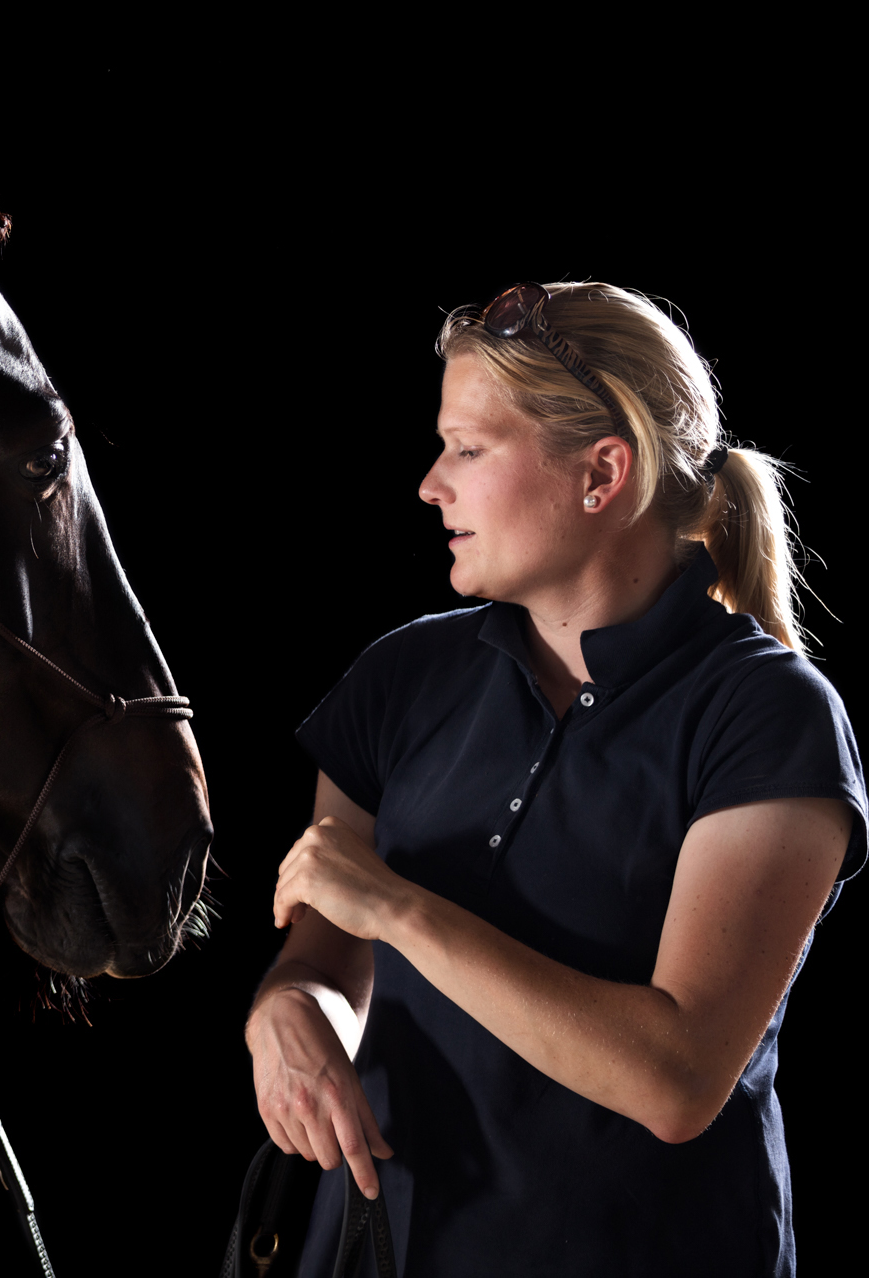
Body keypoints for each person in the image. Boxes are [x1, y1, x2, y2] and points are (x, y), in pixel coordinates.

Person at [243, 281, 864, 1276]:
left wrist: (399, 909)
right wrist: (286, 1013)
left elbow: (675, 1078)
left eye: (467, 449)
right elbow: (323, 962)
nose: (430, 485)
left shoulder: (768, 715)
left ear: (601, 473)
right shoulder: (401, 676)